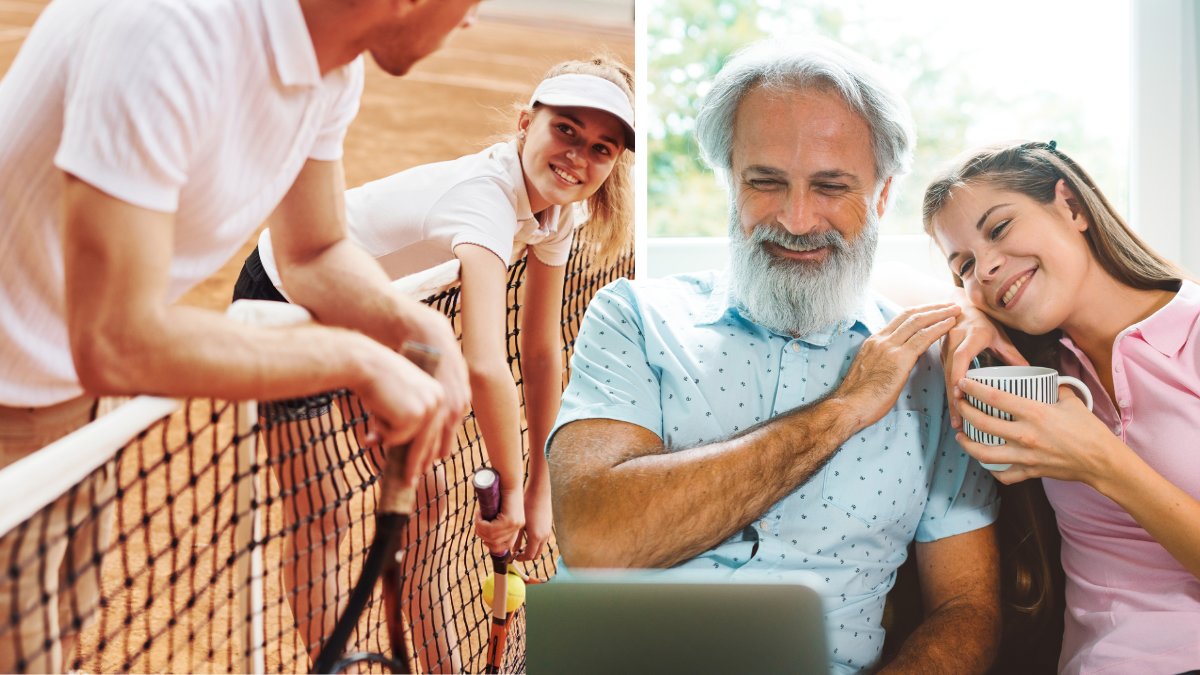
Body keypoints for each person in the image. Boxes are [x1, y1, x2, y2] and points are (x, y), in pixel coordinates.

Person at [0, 0, 480, 672]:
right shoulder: (166, 28)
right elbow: (117, 338)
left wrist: (417, 323)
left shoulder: (331, 67)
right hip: (18, 394)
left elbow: (313, 250)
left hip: (74, 403)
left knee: (61, 628)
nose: (470, 22)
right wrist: (355, 356)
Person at [547, 39, 1001, 675]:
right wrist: (842, 409)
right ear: (730, 180)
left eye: (831, 186)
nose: (795, 217)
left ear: (881, 195)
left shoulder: (935, 368)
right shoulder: (634, 320)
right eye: (764, 182)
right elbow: (598, 540)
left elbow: (968, 608)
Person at [232, 54, 635, 671]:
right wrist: (510, 491)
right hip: (289, 298)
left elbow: (541, 346)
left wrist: (540, 487)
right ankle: (328, 663)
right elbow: (484, 364)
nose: (579, 156)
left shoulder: (561, 209)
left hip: (383, 311)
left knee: (429, 497)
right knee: (327, 509)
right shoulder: (483, 201)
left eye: (603, 148)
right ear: (526, 123)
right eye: (567, 130)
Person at [923, 140, 1200, 674]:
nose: (985, 268)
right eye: (963, 265)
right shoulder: (1042, 374)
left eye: (999, 229)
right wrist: (966, 313)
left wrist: (1099, 461)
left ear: (1071, 207)